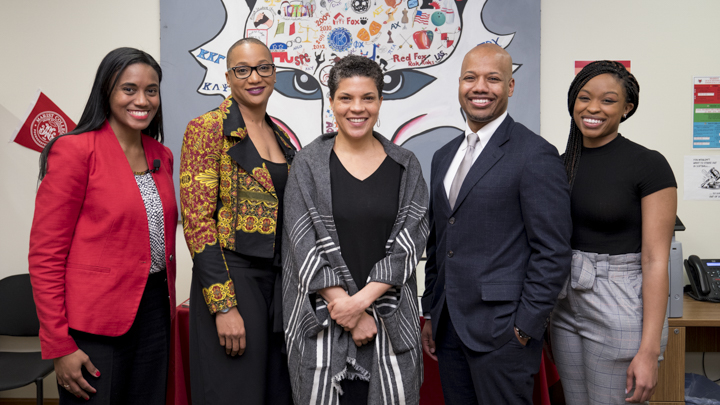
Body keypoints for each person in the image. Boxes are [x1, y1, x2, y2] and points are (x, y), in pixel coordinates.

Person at [420, 43, 572, 405]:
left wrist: (524, 328)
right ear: (459, 84)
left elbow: (552, 251)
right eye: (470, 78)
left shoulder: (534, 154)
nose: (480, 87)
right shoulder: (444, 156)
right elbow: (440, 242)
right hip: (448, 327)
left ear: (511, 86)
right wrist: (431, 312)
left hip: (504, 333)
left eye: (493, 79)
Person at [28, 47, 177, 404]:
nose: (142, 100)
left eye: (151, 90)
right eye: (129, 89)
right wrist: (59, 345)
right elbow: (46, 256)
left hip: (155, 311)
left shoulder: (162, 155)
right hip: (93, 322)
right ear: (106, 93)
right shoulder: (74, 150)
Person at [282, 55, 429, 405]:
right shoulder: (308, 163)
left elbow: (411, 244)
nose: (357, 108)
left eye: (368, 98)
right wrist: (346, 311)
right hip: (322, 323)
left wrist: (360, 304)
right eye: (346, 97)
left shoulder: (405, 165)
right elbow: (302, 246)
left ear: (380, 101)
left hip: (390, 322)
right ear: (331, 101)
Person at [550, 60, 677, 404]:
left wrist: (649, 351)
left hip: (619, 299)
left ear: (626, 109)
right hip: (564, 302)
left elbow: (654, 261)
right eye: (584, 97)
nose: (593, 108)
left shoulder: (648, 164)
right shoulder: (560, 164)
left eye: (607, 100)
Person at [180, 37, 295, 404]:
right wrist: (223, 306)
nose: (254, 77)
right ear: (228, 78)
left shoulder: (282, 135)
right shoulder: (207, 129)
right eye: (242, 70)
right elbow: (198, 223)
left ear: (274, 74)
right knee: (234, 394)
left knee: (276, 393)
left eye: (263, 67)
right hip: (233, 279)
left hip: (278, 284)